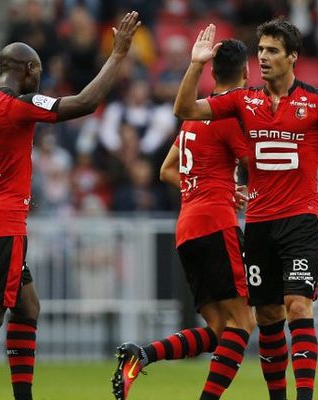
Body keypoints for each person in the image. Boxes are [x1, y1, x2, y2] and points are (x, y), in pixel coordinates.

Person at [0, 11, 140, 400]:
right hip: (2, 222)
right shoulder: (18, 104)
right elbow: (85, 102)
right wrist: (117, 54)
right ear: (30, 69)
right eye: (38, 72)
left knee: (27, 306)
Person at [174, 21, 318, 400]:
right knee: (267, 317)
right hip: (260, 224)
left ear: (292, 57)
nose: (262, 57)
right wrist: (196, 65)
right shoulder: (243, 101)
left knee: (298, 305)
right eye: (260, 50)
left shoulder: (316, 102)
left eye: (272, 51)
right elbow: (184, 109)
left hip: (301, 220)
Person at [111, 39, 256, 400]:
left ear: (212, 72)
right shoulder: (225, 114)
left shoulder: (194, 119)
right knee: (243, 324)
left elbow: (166, 170)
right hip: (215, 224)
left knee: (221, 330)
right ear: (246, 72)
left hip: (188, 228)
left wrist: (214, 185)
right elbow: (257, 164)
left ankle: (142, 355)